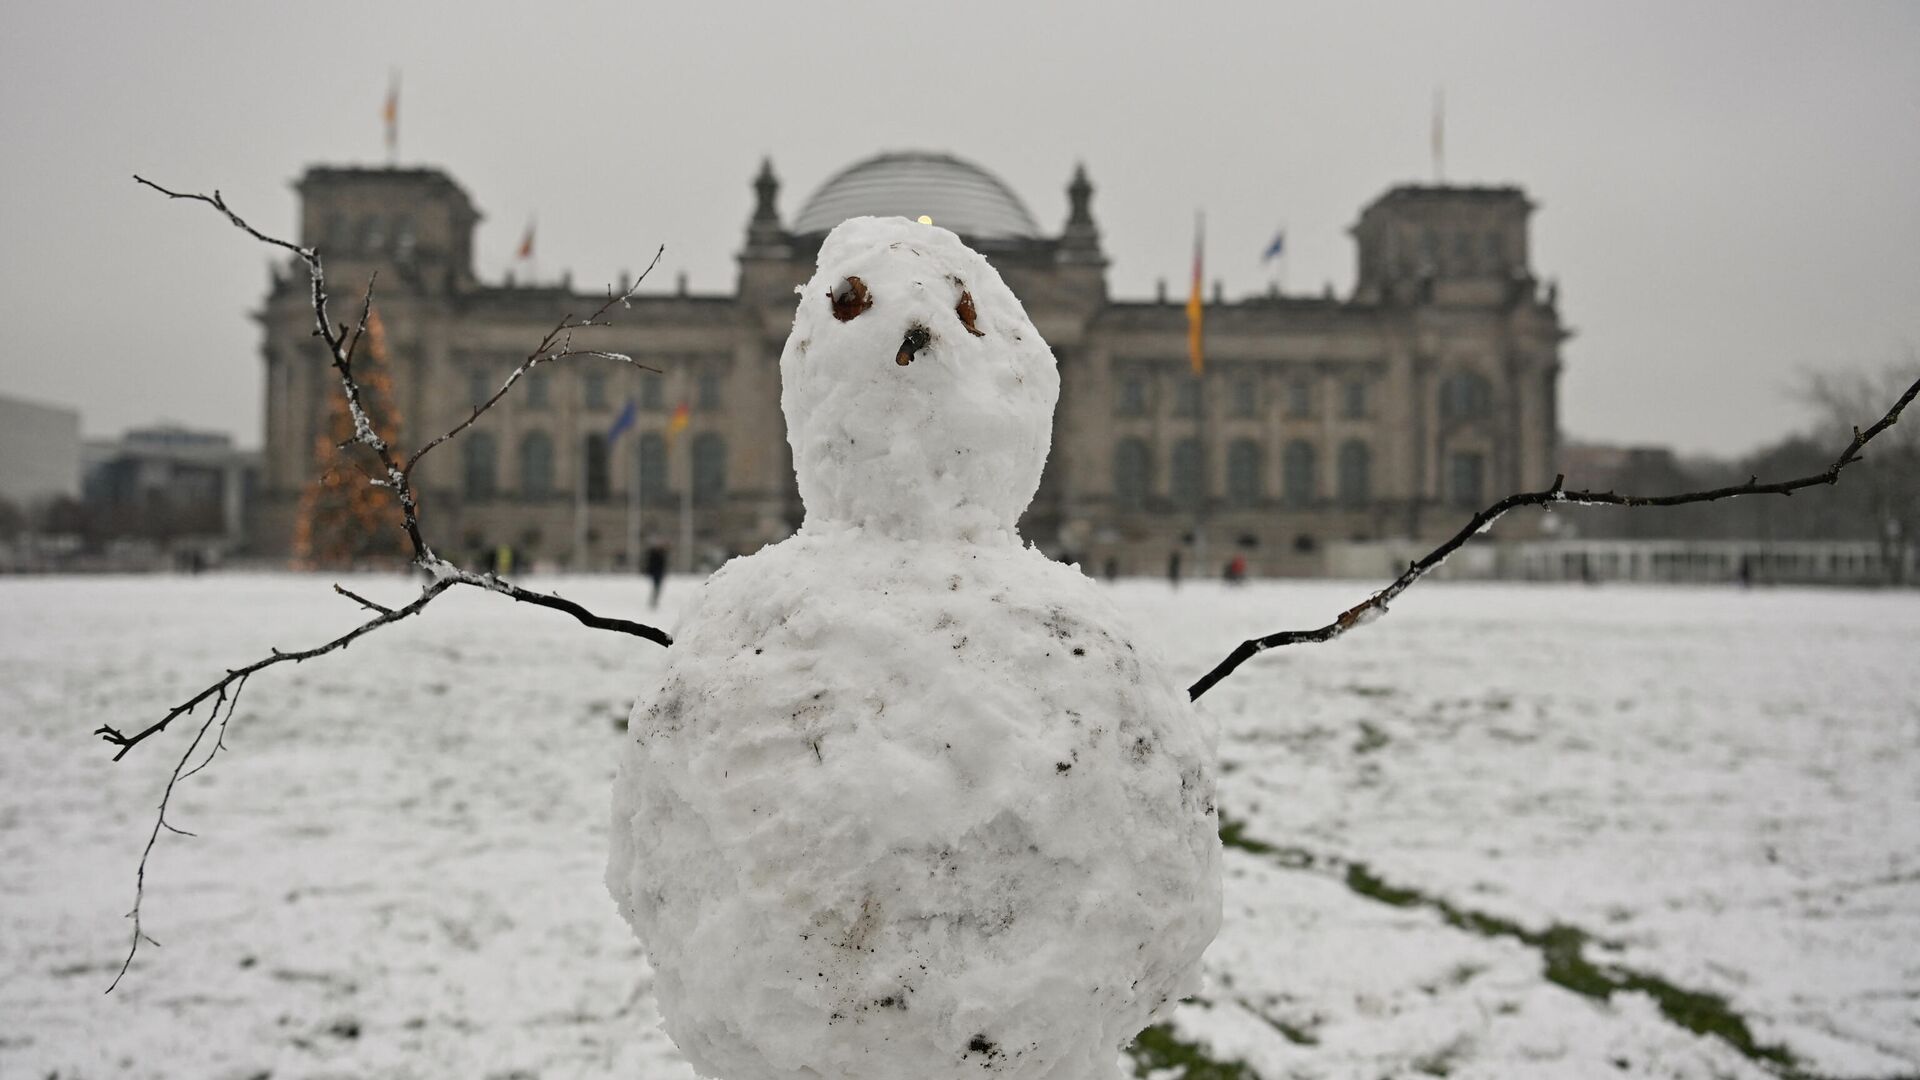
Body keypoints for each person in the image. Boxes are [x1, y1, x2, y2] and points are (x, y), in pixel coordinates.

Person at [645, 541, 669, 609]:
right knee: (656, 587)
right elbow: (650, 564)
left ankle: (655, 600)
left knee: (657, 587)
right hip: (655, 573)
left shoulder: (662, 553)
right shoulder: (653, 554)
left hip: (659, 573)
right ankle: (653, 600)